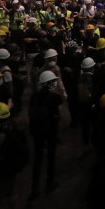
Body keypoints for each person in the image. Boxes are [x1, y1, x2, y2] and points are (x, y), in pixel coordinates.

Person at [28, 70, 64, 201]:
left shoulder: (34, 96)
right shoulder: (55, 97)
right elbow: (58, 115)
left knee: (37, 159)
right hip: (50, 131)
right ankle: (49, 183)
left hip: (37, 131)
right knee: (50, 158)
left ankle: (35, 188)